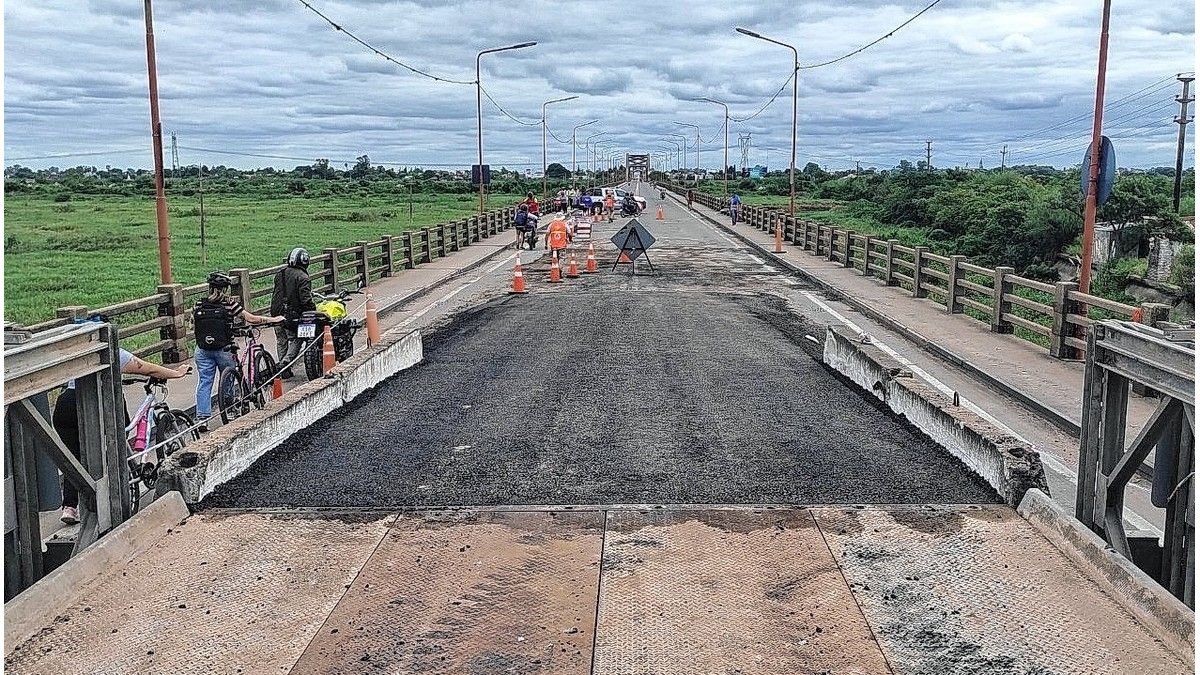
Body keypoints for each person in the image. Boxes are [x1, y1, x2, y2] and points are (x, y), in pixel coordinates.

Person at [52, 336, 189, 524]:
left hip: (65, 404)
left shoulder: (77, 353)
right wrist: (177, 373)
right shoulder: (113, 351)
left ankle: (70, 507)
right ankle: (114, 493)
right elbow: (148, 368)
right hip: (96, 402)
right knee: (116, 442)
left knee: (74, 458)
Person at [194, 272, 282, 431]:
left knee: (204, 382)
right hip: (224, 348)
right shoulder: (229, 303)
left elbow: (195, 325)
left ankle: (202, 419)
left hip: (202, 349)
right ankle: (230, 408)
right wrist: (274, 320)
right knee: (227, 378)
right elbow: (251, 319)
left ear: (210, 287)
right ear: (226, 289)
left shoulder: (199, 304)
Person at [270, 248, 316, 379]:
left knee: (281, 339)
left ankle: (283, 370)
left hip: (275, 312)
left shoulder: (280, 273)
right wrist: (313, 309)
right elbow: (305, 299)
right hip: (292, 315)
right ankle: (285, 362)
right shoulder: (303, 277)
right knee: (298, 338)